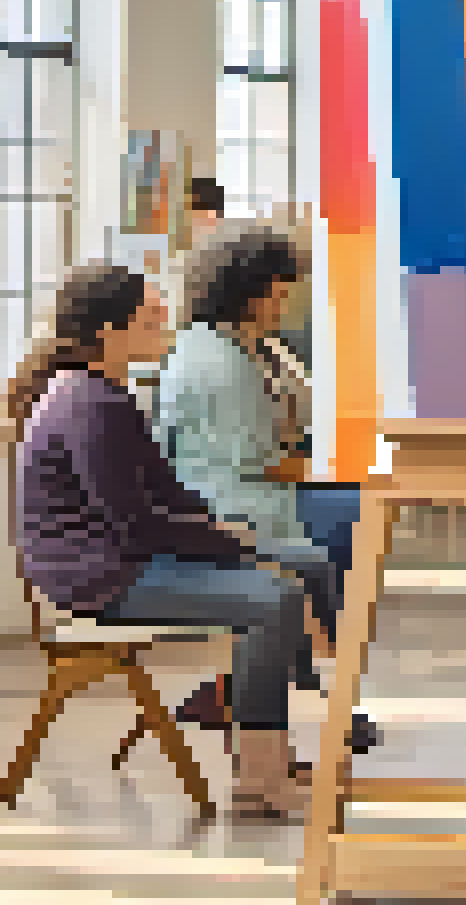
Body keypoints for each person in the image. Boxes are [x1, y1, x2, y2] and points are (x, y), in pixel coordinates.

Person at [12, 264, 314, 820]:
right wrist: (230, 542)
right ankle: (261, 776)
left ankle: (272, 758)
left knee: (301, 568)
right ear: (108, 330)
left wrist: (228, 535)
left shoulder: (105, 395)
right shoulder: (89, 404)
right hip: (99, 577)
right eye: (151, 317)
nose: (166, 324)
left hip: (120, 561)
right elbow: (136, 523)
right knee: (277, 601)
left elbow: (166, 496)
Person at [158, 225, 378, 753]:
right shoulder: (221, 364)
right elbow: (255, 462)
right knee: (355, 520)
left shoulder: (216, 346)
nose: (284, 308)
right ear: (247, 294)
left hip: (226, 490)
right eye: (278, 296)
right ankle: (317, 680)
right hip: (230, 501)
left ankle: (302, 675)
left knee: (353, 515)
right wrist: (324, 468)